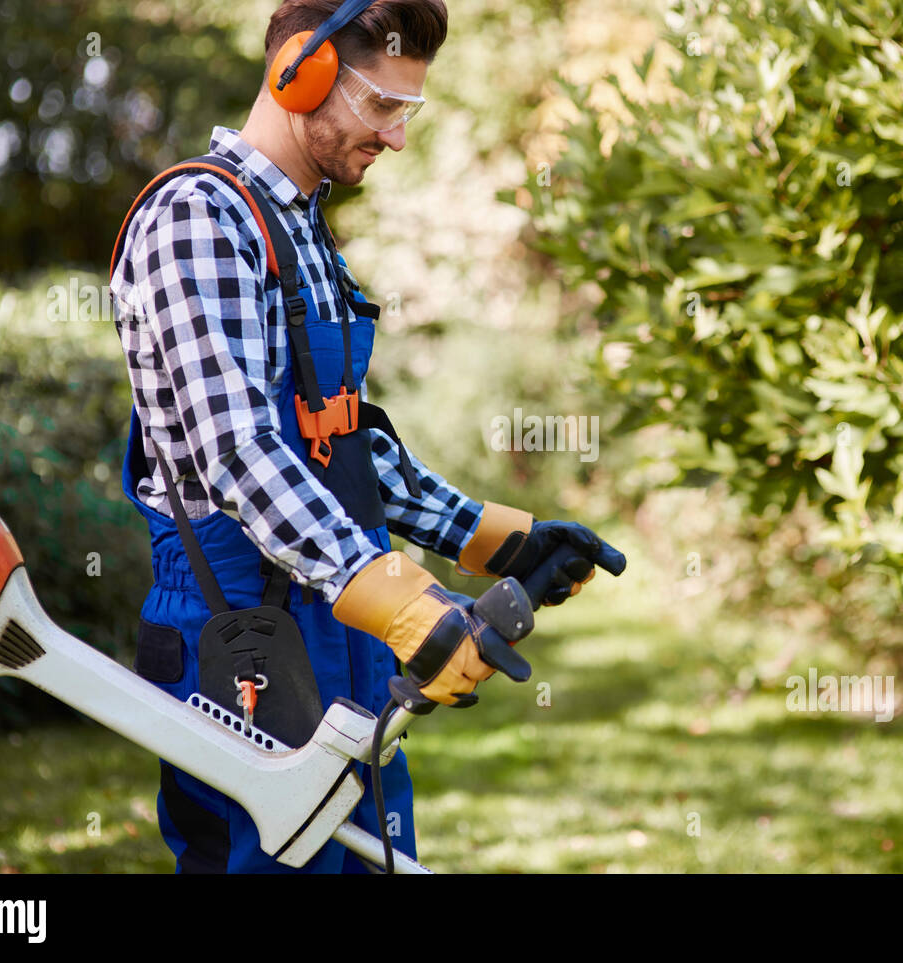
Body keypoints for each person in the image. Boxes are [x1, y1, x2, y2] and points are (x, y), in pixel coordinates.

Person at [108, 0, 624, 874]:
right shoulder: (200, 217)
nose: (395, 138)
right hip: (238, 619)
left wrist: (492, 536)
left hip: (336, 605)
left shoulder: (302, 227)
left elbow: (336, 436)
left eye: (406, 112)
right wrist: (399, 600)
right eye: (383, 106)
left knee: (373, 857)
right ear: (298, 71)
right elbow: (236, 449)